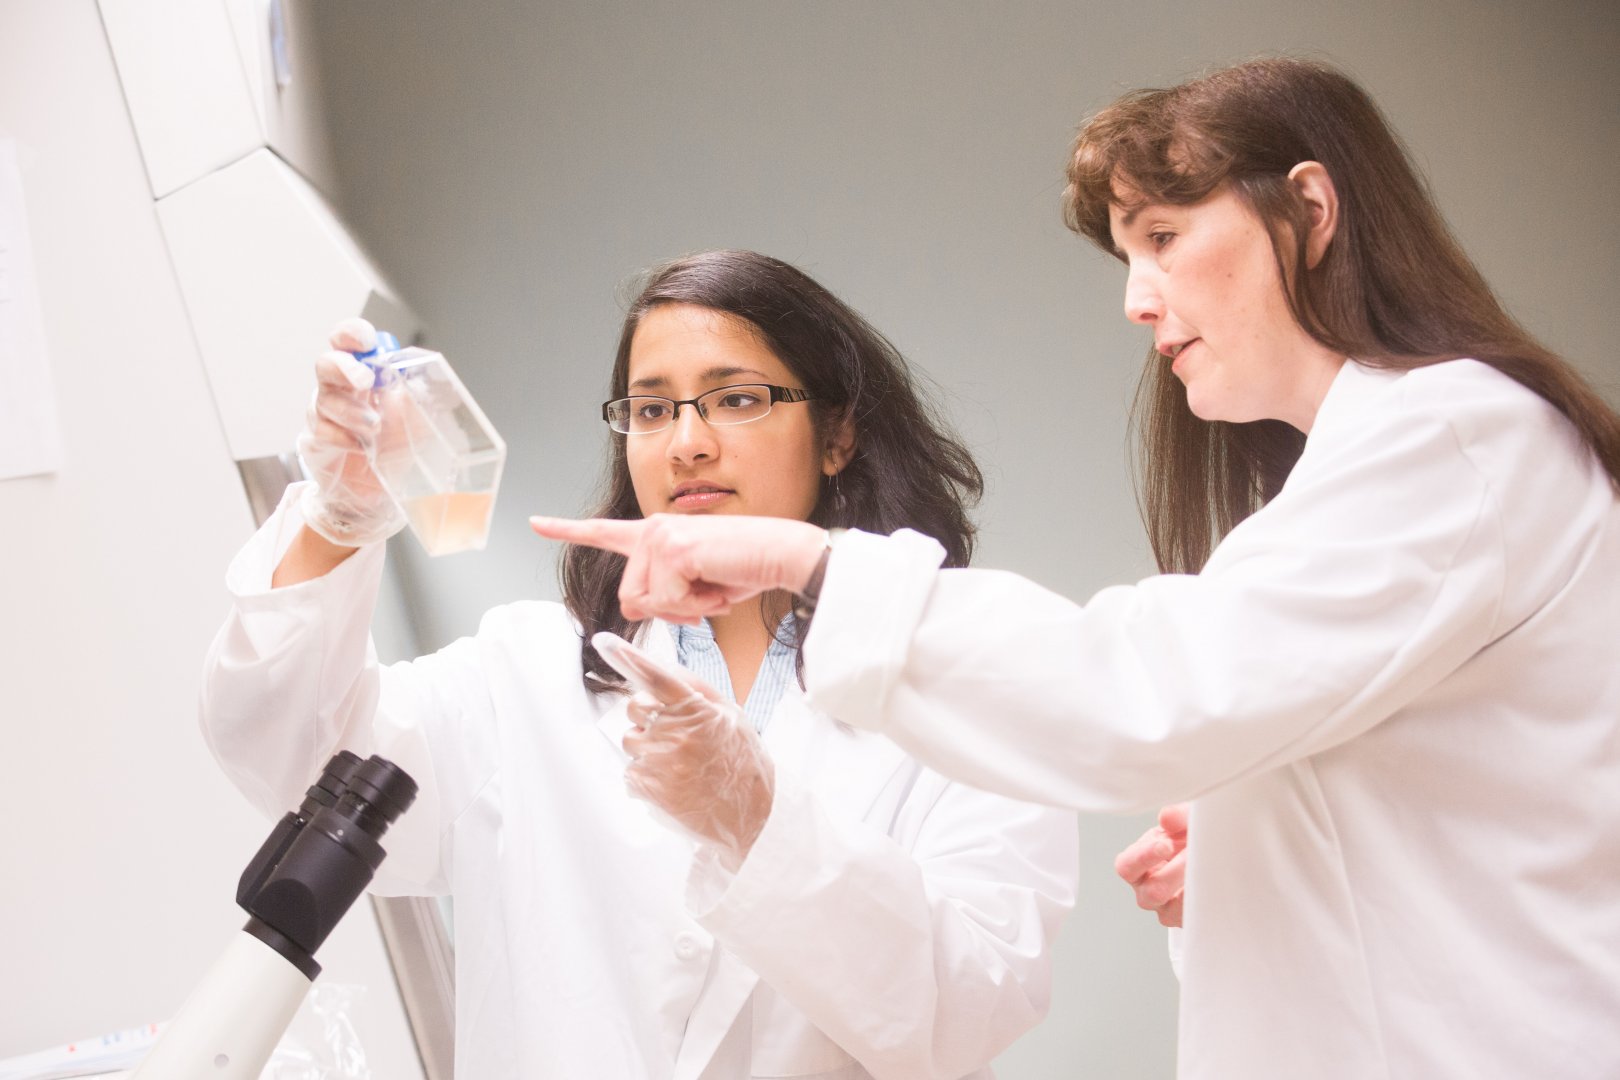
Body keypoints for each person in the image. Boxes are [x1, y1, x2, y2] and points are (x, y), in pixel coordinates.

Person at [532, 59, 1620, 1079]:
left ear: (1311, 209)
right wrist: (1254, 865)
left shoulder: (1453, 438)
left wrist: (807, 562)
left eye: (1164, 235)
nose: (1137, 298)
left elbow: (1149, 690)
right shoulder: (1376, 469)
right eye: (1126, 255)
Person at [199, 250, 1079, 1079]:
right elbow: (297, 765)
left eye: (736, 399)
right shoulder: (525, 677)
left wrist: (757, 818)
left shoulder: (954, 686)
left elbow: (973, 1003)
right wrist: (337, 517)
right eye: (652, 408)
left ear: (838, 435)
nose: (686, 443)